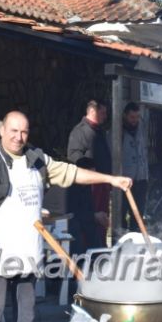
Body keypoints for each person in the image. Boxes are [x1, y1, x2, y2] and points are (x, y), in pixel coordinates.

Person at [0, 111, 132, 322]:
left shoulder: (38, 160)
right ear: (2, 130)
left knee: (27, 318)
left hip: (29, 250)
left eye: (24, 131)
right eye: (13, 131)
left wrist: (110, 179)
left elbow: (72, 173)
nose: (19, 137)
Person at [67, 100, 112, 244]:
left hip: (102, 184)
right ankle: (91, 251)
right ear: (93, 111)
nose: (105, 116)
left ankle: (101, 248)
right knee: (92, 219)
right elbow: (73, 155)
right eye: (102, 112)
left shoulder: (99, 131)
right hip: (89, 186)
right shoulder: (79, 131)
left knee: (103, 220)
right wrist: (88, 167)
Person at [121, 102, 149, 231]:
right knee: (121, 214)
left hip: (141, 179)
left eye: (137, 117)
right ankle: (119, 243)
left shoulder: (141, 128)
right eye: (132, 117)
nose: (135, 120)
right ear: (125, 116)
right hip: (124, 180)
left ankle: (136, 241)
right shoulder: (118, 131)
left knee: (137, 215)